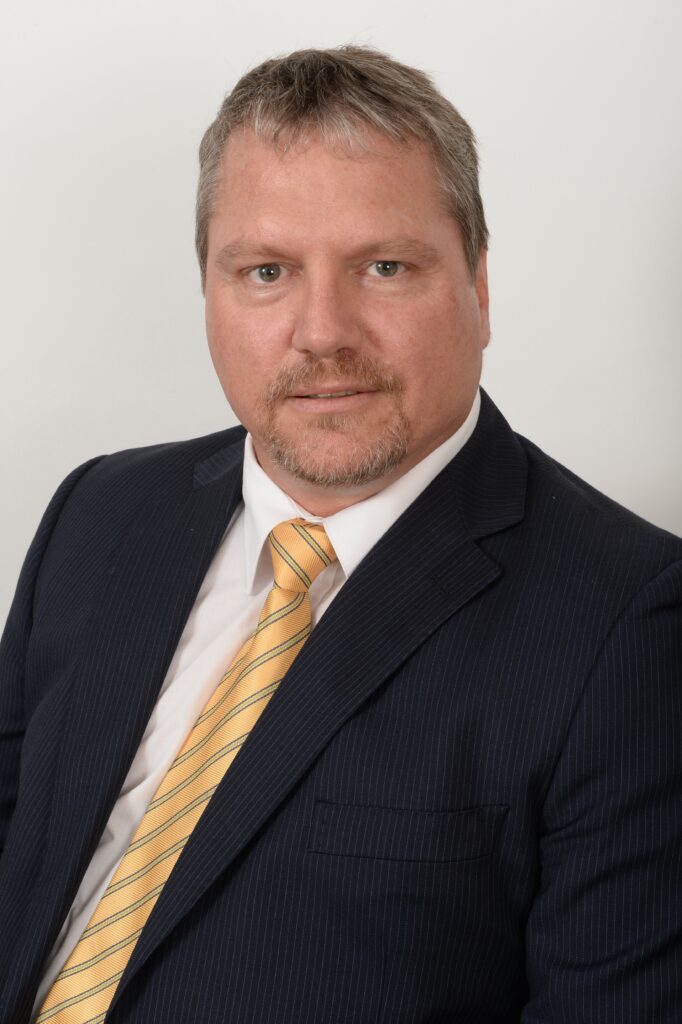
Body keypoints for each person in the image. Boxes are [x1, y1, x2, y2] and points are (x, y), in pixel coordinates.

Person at [0, 45, 680, 1024]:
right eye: (266, 270)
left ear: (478, 286)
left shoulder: (627, 624)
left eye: (384, 266)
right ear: (209, 289)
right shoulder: (101, 514)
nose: (322, 332)